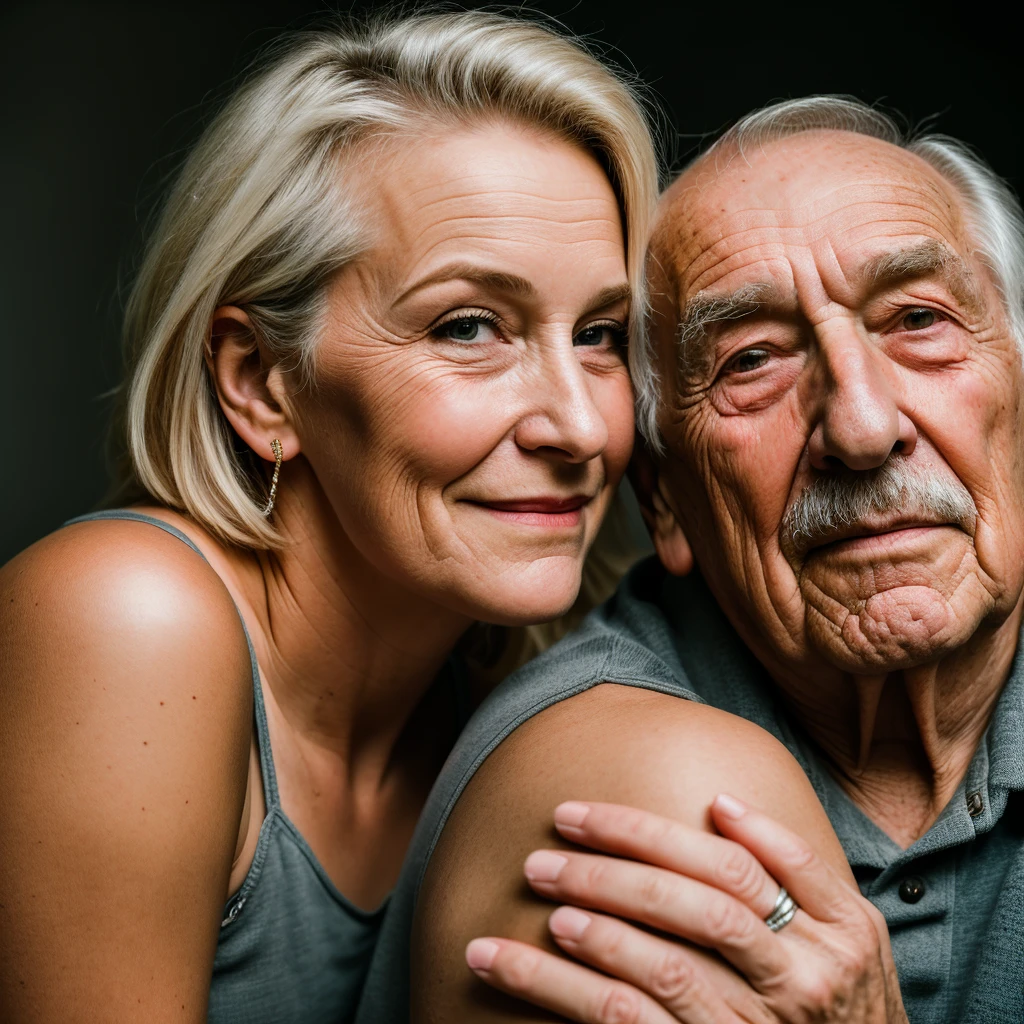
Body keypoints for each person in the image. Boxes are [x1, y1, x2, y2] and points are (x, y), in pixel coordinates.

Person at [0, 11, 663, 1022]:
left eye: (602, 335)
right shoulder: (128, 617)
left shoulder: (499, 695)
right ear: (262, 382)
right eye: (470, 326)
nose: (579, 426)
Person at [355, 96, 1024, 1024]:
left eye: (918, 319)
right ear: (664, 502)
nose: (864, 428)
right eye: (751, 359)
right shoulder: (633, 797)